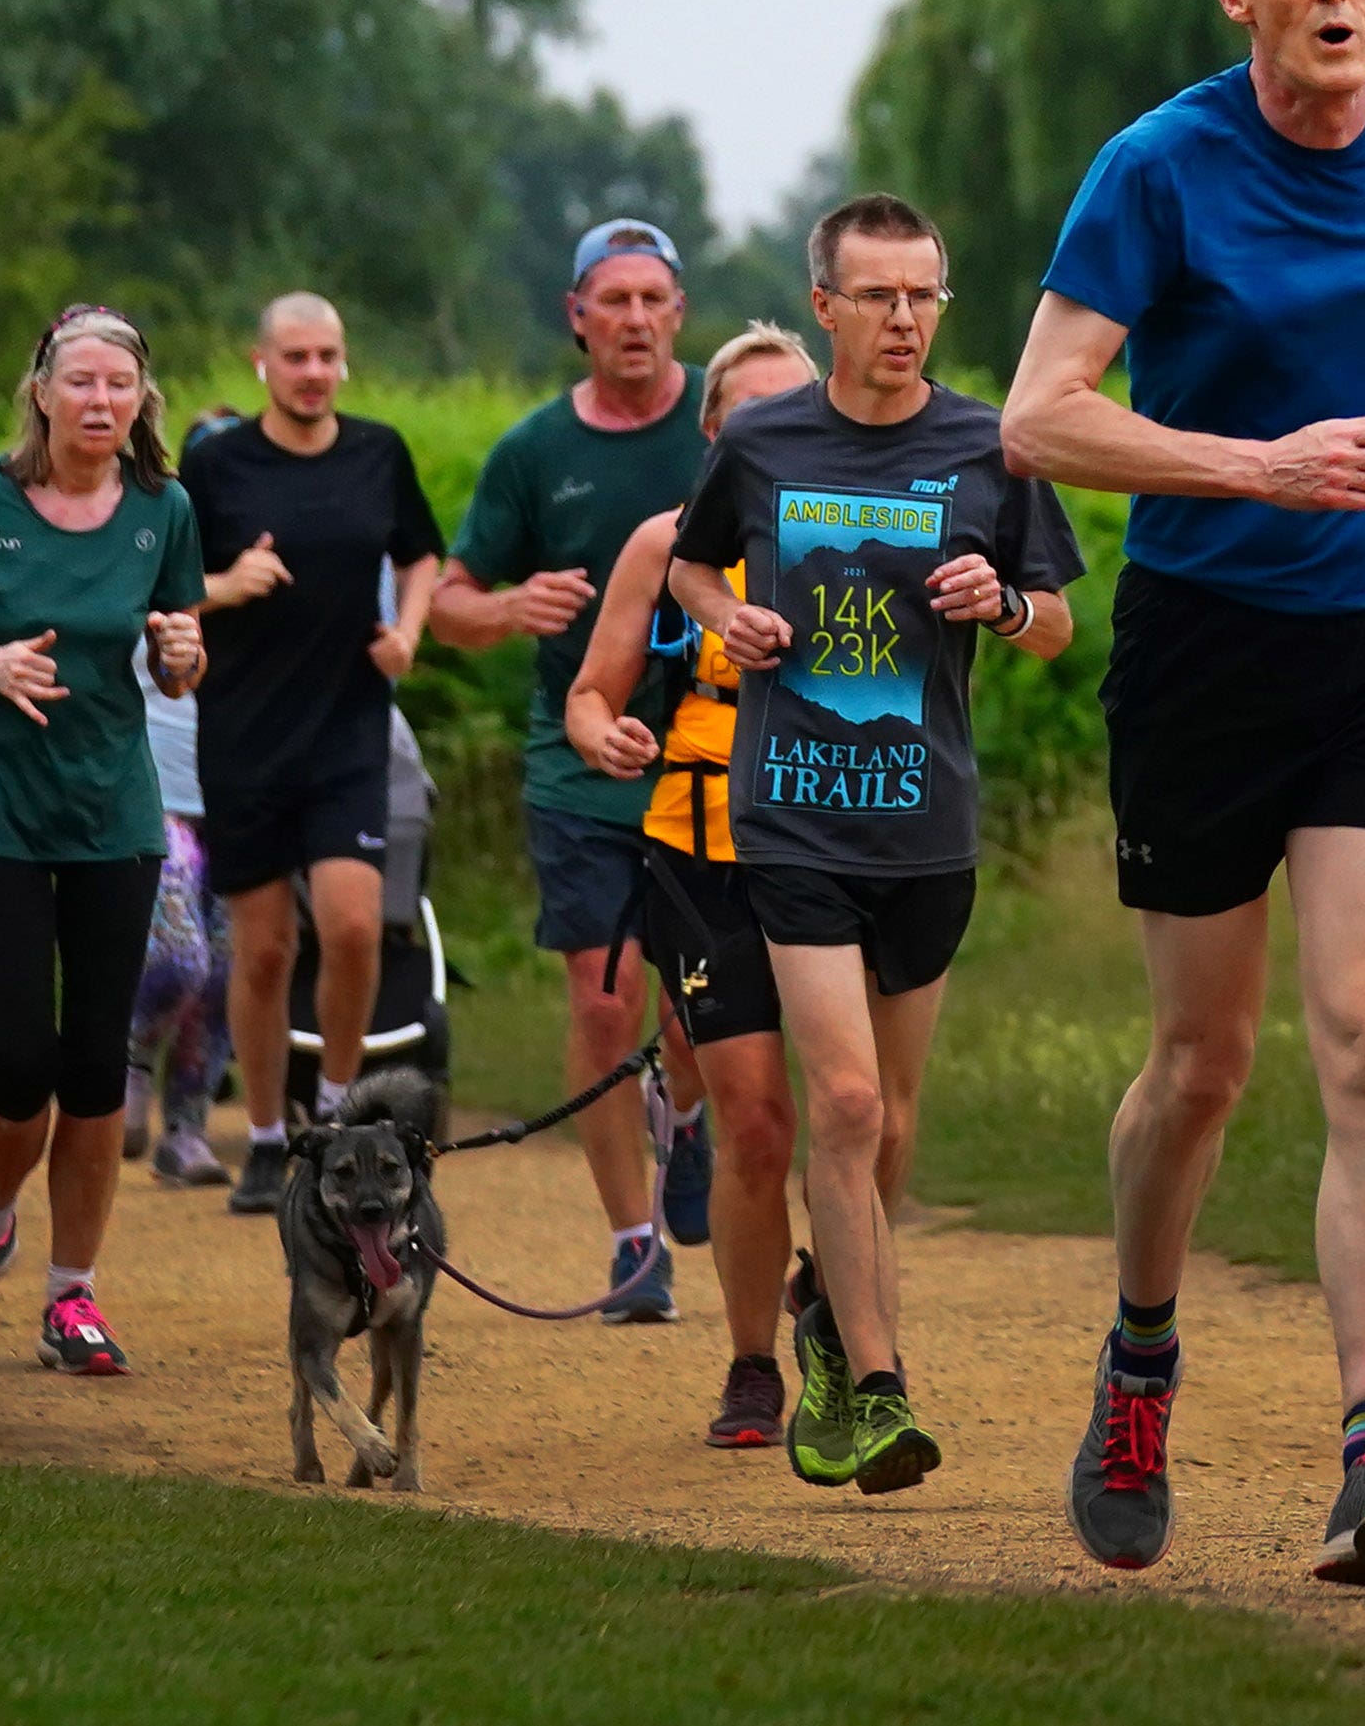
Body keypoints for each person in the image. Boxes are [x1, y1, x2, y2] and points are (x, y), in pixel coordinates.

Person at [1001, 0, 1365, 1588]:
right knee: (1201, 1063)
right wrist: (1250, 465)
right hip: (1205, 640)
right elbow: (1038, 420)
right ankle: (1139, 1348)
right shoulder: (1154, 166)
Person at [676, 210, 1085, 1497]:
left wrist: (1003, 604)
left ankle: (822, 1301)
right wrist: (729, 615)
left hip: (927, 826)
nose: (904, 318)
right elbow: (690, 568)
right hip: (792, 812)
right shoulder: (761, 439)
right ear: (825, 306)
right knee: (842, 1104)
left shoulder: (991, 445)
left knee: (890, 1124)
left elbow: (1061, 622)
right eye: (877, 295)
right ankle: (879, 1382)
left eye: (924, 295)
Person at [0, 304, 213, 1373]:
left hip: (112, 813)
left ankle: (71, 1295)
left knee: (95, 1067)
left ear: (140, 400)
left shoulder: (162, 510)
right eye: (80, 381)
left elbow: (177, 662)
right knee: (21, 1052)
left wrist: (181, 652)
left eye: (118, 385)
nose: (99, 401)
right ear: (41, 390)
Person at [430, 214, 709, 1321]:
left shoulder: (729, 422)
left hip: (712, 750)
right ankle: (635, 1245)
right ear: (577, 316)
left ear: (678, 312)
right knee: (605, 1004)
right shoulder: (535, 452)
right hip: (579, 751)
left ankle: (682, 1121)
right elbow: (447, 603)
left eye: (653, 298)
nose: (634, 319)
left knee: (696, 1011)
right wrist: (506, 607)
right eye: (615, 300)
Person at [564, 317, 831, 1450]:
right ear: (714, 431)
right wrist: (605, 736)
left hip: (847, 842)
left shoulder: (872, 528)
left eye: (797, 412)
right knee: (760, 1120)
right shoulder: (662, 544)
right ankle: (753, 1363)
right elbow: (590, 692)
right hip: (704, 841)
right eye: (754, 417)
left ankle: (837, 1298)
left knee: (862, 1112)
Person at [182, 295, 445, 1214]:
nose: (313, 371)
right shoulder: (215, 466)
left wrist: (407, 631)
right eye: (295, 355)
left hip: (348, 726)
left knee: (354, 927)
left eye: (328, 354)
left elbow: (422, 555)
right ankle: (262, 1137)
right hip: (245, 733)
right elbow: (161, 584)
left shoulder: (378, 451)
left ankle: (334, 1117)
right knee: (261, 951)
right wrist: (229, 582)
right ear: (261, 362)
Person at [125, 671, 229, 1186]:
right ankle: (134, 1049)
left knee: (224, 977)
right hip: (154, 787)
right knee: (180, 959)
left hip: (243, 789)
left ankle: (186, 1130)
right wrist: (230, 586)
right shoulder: (159, 585)